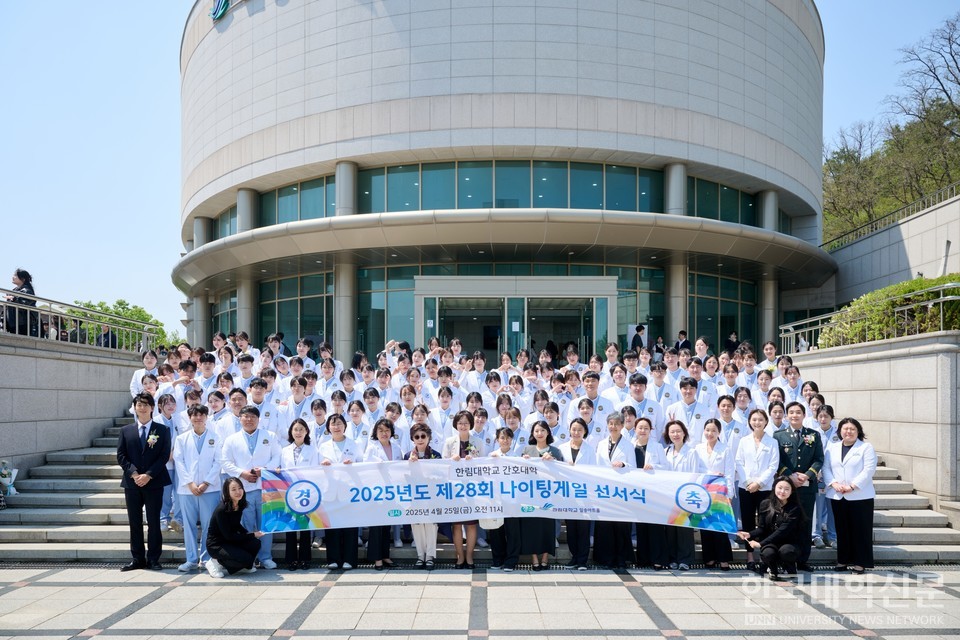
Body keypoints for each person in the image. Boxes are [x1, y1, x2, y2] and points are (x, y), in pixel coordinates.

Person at [219, 406, 283, 569]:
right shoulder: (231, 439)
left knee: (266, 524)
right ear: (239, 419)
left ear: (258, 419)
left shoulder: (270, 436)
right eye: (245, 416)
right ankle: (249, 557)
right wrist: (242, 473)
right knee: (246, 525)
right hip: (243, 490)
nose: (249, 420)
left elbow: (277, 455)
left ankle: (266, 557)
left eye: (253, 416)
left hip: (265, 488)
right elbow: (225, 462)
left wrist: (265, 470)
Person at [116, 392, 172, 571]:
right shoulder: (126, 431)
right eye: (139, 404)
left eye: (146, 404)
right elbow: (121, 455)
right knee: (134, 521)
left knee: (154, 521)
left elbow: (164, 455)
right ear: (135, 408)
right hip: (132, 484)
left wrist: (148, 474)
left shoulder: (162, 430)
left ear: (153, 407)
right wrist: (133, 473)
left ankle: (154, 559)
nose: (142, 407)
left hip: (154, 482)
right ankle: (137, 558)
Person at [172, 404, 222, 572]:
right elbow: (179, 462)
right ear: (190, 418)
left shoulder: (216, 437)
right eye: (195, 415)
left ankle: (207, 558)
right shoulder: (181, 439)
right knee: (189, 525)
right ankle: (191, 559)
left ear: (206, 417)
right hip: (187, 490)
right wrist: (191, 484)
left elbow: (218, 462)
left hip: (210, 489)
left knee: (209, 525)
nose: (198, 418)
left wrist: (206, 482)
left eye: (201, 415)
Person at [823, 417, 877, 574]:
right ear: (839, 431)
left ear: (858, 431)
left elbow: (868, 470)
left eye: (852, 429)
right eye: (845, 429)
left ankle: (860, 563)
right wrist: (834, 484)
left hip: (860, 496)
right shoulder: (831, 448)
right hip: (838, 495)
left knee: (861, 530)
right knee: (842, 529)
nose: (848, 432)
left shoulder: (866, 447)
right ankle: (843, 560)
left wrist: (852, 486)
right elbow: (826, 468)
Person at [774, 402, 823, 572]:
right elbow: (777, 460)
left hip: (807, 487)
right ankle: (785, 559)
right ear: (786, 416)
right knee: (786, 523)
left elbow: (819, 459)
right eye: (791, 413)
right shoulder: (778, 436)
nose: (795, 415)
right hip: (786, 488)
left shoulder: (814, 435)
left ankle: (802, 560)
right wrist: (790, 475)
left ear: (804, 415)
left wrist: (808, 474)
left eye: (798, 412)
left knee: (805, 523)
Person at [735, 408, 780, 572]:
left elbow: (773, 465)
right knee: (747, 521)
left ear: (766, 422)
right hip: (745, 487)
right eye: (754, 420)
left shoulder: (772, 442)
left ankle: (764, 555)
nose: (757, 422)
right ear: (750, 422)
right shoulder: (743, 441)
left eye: (760, 420)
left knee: (765, 522)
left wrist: (759, 483)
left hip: (764, 488)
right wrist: (748, 482)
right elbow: (738, 462)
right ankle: (749, 556)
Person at [737, 477, 807, 580]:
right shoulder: (765, 504)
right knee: (767, 553)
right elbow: (761, 529)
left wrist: (760, 543)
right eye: (780, 487)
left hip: (790, 542)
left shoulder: (794, 508)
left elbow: (782, 531)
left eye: (787, 489)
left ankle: (789, 565)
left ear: (792, 491)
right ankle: (773, 569)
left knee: (786, 552)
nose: (782, 491)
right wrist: (749, 534)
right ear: (774, 488)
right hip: (771, 542)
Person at [318, 413, 361, 570]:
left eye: (339, 424)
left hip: (348, 491)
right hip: (330, 492)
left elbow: (362, 464)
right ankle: (333, 559)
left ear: (345, 426)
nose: (336, 427)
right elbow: (316, 469)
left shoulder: (354, 444)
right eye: (333, 424)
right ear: (328, 427)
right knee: (332, 527)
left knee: (350, 526)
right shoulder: (323, 446)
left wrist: (353, 464)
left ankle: (350, 559)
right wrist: (323, 464)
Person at [593, 413, 636, 569]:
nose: (613, 426)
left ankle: (621, 558)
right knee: (605, 526)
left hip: (621, 489)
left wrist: (623, 464)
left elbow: (633, 466)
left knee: (621, 525)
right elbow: (597, 465)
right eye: (610, 423)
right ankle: (606, 558)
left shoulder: (628, 445)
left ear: (622, 425)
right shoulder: (602, 443)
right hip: (604, 489)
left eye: (617, 423)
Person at [520, 421, 564, 570]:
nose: (540, 433)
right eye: (537, 430)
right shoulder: (527, 450)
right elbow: (520, 473)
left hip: (549, 496)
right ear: (533, 433)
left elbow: (562, 473)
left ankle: (545, 557)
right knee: (531, 527)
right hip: (531, 496)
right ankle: (534, 558)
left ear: (548, 433)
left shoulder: (555, 451)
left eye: (543, 430)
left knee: (547, 527)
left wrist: (554, 462)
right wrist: (523, 462)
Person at [442, 410, 482, 568]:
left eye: (466, 422)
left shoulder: (477, 442)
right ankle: (460, 556)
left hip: (473, 488)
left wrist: (475, 460)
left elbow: (484, 465)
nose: (463, 425)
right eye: (460, 423)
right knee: (456, 524)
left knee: (471, 524)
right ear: (456, 425)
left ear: (471, 424)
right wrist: (452, 461)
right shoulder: (450, 442)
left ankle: (470, 556)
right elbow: (443, 465)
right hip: (455, 489)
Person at [279, 419, 320, 570]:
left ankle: (305, 559)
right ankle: (291, 560)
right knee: (290, 528)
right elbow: (281, 471)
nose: (298, 432)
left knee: (304, 528)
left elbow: (316, 472)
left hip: (306, 493)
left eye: (301, 429)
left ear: (306, 432)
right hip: (289, 493)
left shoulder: (313, 450)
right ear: (291, 432)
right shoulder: (284, 451)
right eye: (295, 429)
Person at [663, 419, 703, 570]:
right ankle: (673, 558)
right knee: (671, 528)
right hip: (669, 495)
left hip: (685, 495)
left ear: (684, 433)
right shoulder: (666, 451)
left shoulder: (691, 452)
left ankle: (685, 559)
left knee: (684, 528)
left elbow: (694, 474)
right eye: (672, 432)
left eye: (678, 431)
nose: (675, 434)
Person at [205, 477, 264, 577]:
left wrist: (249, 534)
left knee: (255, 543)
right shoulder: (222, 509)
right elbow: (229, 536)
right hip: (217, 545)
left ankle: (245, 566)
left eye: (240, 488)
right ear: (227, 492)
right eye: (233, 489)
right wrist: (252, 534)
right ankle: (215, 562)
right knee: (246, 558)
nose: (238, 492)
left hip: (229, 541)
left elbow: (236, 525)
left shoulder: (239, 504)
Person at [695, 418, 734, 570]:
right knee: (705, 525)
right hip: (703, 492)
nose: (710, 433)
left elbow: (729, 472)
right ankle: (709, 557)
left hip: (719, 493)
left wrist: (729, 494)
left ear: (719, 432)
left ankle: (723, 559)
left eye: (713, 431)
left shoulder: (725, 449)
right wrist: (711, 474)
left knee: (720, 526)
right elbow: (696, 470)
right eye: (707, 430)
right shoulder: (698, 448)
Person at [364, 418, 402, 569]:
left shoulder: (397, 447)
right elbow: (365, 467)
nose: (384, 433)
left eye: (387, 430)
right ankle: (376, 558)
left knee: (387, 526)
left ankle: (385, 555)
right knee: (376, 526)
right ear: (375, 433)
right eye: (381, 431)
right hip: (377, 491)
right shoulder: (371, 448)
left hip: (392, 491)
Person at [403, 423, 442, 569]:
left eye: (423, 436)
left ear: (429, 437)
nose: (420, 439)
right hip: (415, 497)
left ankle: (430, 556)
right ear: (413, 439)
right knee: (417, 525)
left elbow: (441, 476)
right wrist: (409, 465)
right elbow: (402, 476)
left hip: (432, 497)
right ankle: (420, 555)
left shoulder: (436, 455)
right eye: (417, 436)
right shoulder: (407, 456)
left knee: (431, 526)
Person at [4, 268, 37, 336]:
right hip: (13, 323)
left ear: (23, 279)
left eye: (15, 275)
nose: (13, 277)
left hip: (22, 323)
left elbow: (26, 302)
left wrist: (13, 298)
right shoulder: (14, 291)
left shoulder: (27, 290)